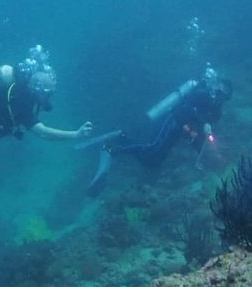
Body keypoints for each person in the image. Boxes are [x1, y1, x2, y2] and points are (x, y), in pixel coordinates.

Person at [80, 64, 232, 195]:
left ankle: (123, 139)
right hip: (173, 120)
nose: (220, 96)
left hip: (180, 130)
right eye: (220, 91)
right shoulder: (202, 94)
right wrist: (200, 123)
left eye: (224, 96)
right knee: (152, 147)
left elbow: (200, 136)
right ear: (215, 86)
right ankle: (113, 148)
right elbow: (183, 109)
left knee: (154, 161)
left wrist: (202, 151)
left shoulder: (216, 113)